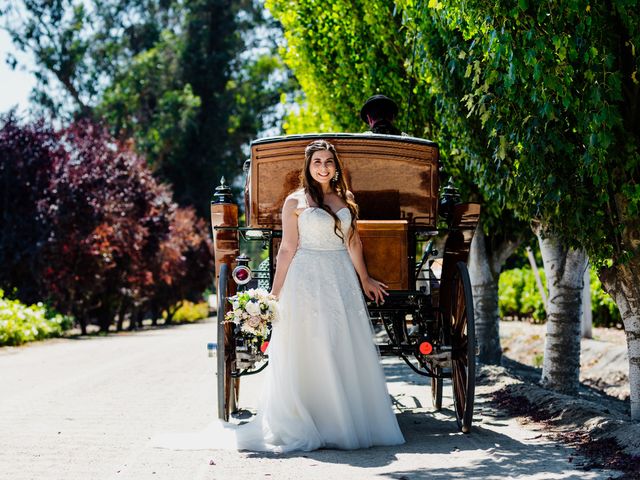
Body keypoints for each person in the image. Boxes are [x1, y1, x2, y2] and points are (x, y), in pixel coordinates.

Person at [153, 140, 404, 453]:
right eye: (317, 162)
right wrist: (274, 294)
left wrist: (365, 278)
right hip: (307, 275)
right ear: (308, 167)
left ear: (336, 166)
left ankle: (345, 419)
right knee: (312, 342)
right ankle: (311, 419)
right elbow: (287, 248)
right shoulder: (295, 201)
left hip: (341, 277)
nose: (324, 167)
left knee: (341, 341)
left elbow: (353, 242)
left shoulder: (345, 198)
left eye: (329, 161)